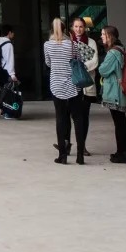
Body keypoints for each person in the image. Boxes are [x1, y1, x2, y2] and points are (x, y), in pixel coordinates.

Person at [42, 18, 79, 164]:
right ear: (65, 30)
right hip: (72, 85)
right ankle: (78, 151)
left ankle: (62, 154)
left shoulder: (47, 45)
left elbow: (48, 63)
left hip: (56, 84)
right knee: (75, 117)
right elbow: (78, 60)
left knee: (60, 118)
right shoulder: (72, 45)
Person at [97, 25, 126, 164]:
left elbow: (103, 70)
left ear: (110, 36)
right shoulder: (120, 50)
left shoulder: (113, 53)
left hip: (114, 92)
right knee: (120, 123)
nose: (101, 37)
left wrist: (102, 67)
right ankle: (122, 152)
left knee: (119, 123)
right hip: (119, 91)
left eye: (103, 34)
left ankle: (124, 153)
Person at [69, 17, 99, 162]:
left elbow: (94, 61)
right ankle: (67, 143)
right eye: (76, 26)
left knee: (83, 116)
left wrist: (81, 67)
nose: (78, 29)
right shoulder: (69, 41)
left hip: (86, 85)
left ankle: (82, 145)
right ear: (72, 27)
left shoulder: (91, 42)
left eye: (81, 26)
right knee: (70, 116)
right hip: (72, 84)